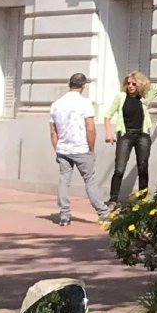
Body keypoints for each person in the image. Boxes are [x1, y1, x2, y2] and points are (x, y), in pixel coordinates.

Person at [104, 70, 157, 207]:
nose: (130, 86)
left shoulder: (144, 98)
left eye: (134, 83)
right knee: (119, 169)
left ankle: (142, 200)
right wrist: (108, 134)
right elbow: (108, 115)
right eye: (128, 83)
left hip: (142, 136)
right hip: (125, 136)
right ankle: (113, 200)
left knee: (143, 167)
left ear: (139, 85)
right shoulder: (121, 97)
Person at [48, 73, 103, 225]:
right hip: (81, 148)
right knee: (90, 181)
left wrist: (57, 149)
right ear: (83, 86)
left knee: (64, 181)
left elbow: (53, 132)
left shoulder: (56, 104)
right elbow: (90, 129)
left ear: (69, 84)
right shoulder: (85, 103)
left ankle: (64, 214)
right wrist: (91, 149)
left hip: (63, 148)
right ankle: (103, 212)